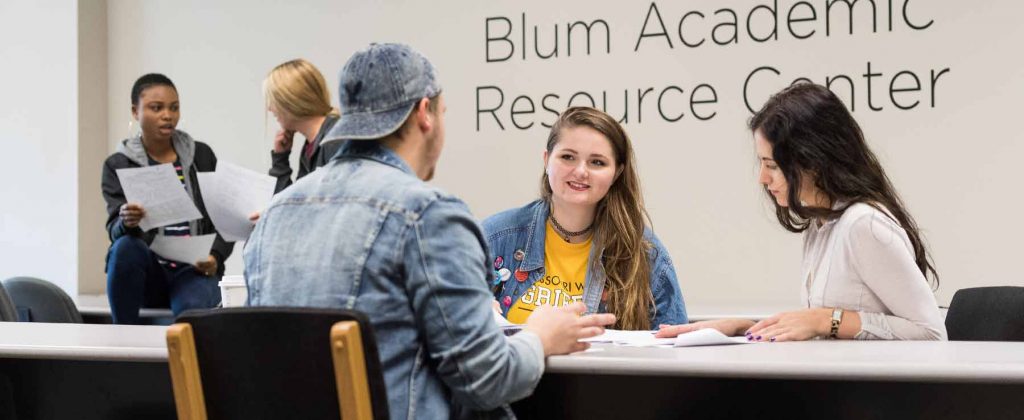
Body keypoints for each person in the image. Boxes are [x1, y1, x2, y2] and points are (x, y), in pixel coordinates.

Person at [244, 43, 616, 419]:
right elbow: (488, 381)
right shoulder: (428, 215)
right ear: (425, 114)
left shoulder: (275, 213)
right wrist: (539, 336)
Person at [657, 83, 946, 342]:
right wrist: (745, 327)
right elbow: (821, 333)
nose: (762, 179)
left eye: (771, 166)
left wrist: (826, 319)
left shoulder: (864, 225)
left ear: (813, 161)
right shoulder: (820, 224)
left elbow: (931, 332)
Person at [484, 107, 687, 330]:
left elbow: (673, 351)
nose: (581, 171)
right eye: (568, 157)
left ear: (617, 173)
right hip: (522, 365)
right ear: (546, 159)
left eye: (597, 162)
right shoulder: (494, 238)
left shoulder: (645, 253)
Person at [101, 73, 234, 324]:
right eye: (156, 107)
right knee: (124, 248)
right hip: (148, 272)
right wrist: (126, 222)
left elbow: (222, 218)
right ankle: (121, 337)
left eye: (174, 108)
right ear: (135, 111)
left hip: (193, 269)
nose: (167, 115)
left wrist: (215, 256)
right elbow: (114, 231)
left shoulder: (202, 156)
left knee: (191, 318)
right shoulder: (118, 164)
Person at [265, 58, 342, 193]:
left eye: (273, 101)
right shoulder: (311, 146)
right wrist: (280, 160)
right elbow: (293, 202)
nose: (270, 109)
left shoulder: (335, 141)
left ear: (289, 101)